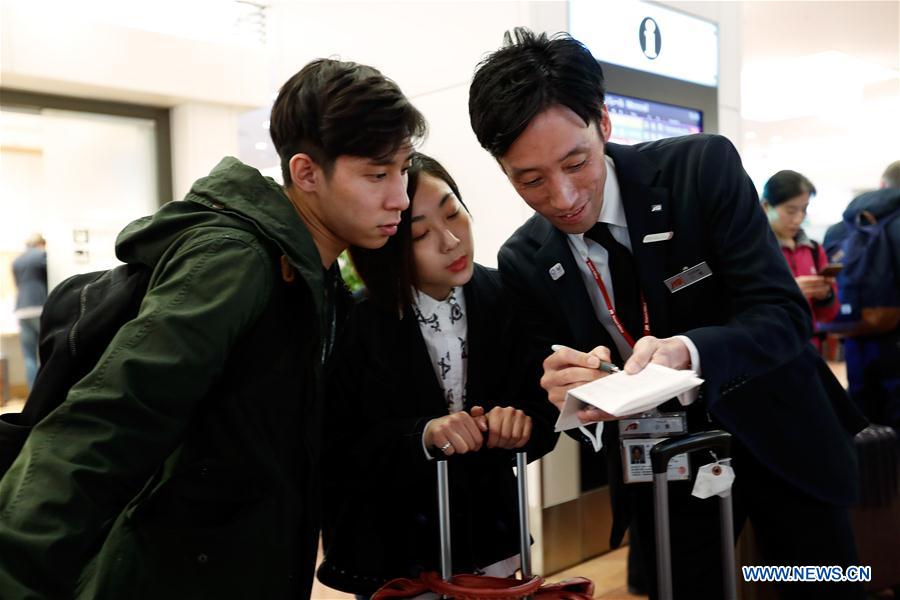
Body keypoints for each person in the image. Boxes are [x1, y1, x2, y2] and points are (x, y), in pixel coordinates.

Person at [0, 59, 426, 599]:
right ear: (306, 173)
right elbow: (111, 420)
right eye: (376, 174)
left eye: (404, 169)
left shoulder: (313, 277)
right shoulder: (236, 260)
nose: (401, 197)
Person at [468, 28, 867, 599]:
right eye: (530, 181)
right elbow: (560, 398)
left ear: (602, 124)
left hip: (781, 439)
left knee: (818, 583)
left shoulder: (698, 170)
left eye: (576, 163)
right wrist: (570, 400)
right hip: (661, 470)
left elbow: (782, 314)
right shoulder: (525, 259)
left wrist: (688, 351)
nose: (562, 197)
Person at [316, 152, 558, 598]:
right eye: (421, 233)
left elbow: (542, 406)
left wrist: (521, 422)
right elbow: (336, 445)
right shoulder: (356, 322)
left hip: (492, 538)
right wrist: (423, 436)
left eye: (454, 213)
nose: (451, 240)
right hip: (395, 551)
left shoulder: (506, 296)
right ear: (386, 242)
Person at [825, 161, 900, 428]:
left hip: (853, 330)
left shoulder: (842, 225)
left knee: (862, 411)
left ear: (882, 184)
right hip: (894, 334)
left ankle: (868, 468)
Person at [761, 170, 839, 351]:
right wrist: (791, 292)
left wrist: (825, 296)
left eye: (804, 209)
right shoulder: (754, 250)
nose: (798, 218)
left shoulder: (813, 250)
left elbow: (828, 315)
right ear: (766, 206)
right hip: (770, 351)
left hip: (809, 350)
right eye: (790, 210)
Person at [11, 233, 47, 391]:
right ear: (40, 243)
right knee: (46, 353)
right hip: (40, 307)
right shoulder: (42, 255)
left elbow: (18, 284)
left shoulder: (16, 261)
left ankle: (33, 394)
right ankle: (45, 394)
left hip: (21, 310)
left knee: (29, 357)